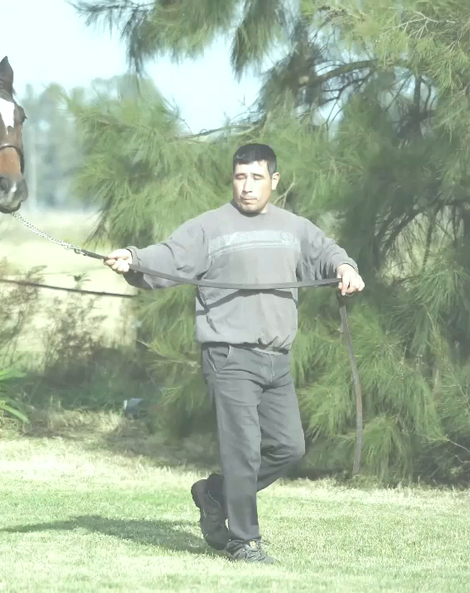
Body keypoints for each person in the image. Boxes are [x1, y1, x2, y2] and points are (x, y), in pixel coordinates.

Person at [104, 143, 365, 564]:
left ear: (274, 181)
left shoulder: (293, 227)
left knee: (288, 447)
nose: (247, 186)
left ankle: (214, 494)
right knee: (242, 449)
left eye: (257, 177)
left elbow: (327, 252)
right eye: (240, 177)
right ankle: (244, 541)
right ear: (233, 179)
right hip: (228, 356)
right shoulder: (210, 227)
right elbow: (168, 257)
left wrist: (345, 268)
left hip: (277, 359)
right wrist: (133, 259)